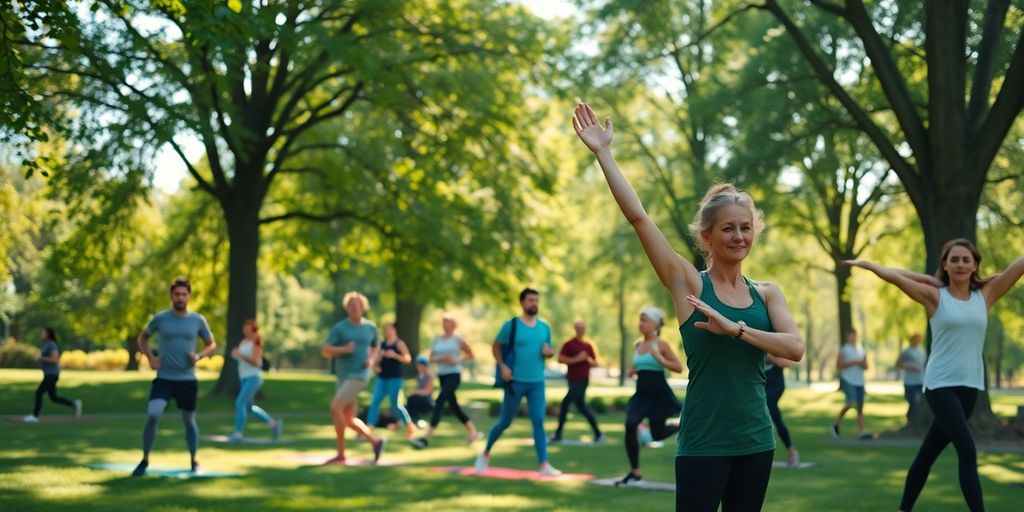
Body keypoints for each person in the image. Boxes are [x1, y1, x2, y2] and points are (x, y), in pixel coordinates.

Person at [573, 103, 804, 511]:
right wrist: (604, 154)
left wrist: (734, 329)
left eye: (745, 228)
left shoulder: (768, 293)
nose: (739, 236)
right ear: (707, 237)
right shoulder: (689, 283)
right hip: (704, 441)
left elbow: (794, 348)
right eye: (728, 228)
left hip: (755, 439)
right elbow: (639, 219)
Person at [848, 239, 1024, 512]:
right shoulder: (935, 297)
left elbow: (1017, 267)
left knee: (926, 456)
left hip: (970, 388)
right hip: (940, 385)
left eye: (966, 259)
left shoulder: (986, 296)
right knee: (967, 449)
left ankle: (903, 509)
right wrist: (870, 266)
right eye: (954, 259)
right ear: (945, 264)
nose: (961, 264)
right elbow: (896, 278)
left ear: (975, 264)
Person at [132, 278, 218, 477]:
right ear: (171, 295)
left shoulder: (198, 320)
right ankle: (144, 460)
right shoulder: (160, 319)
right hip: (164, 378)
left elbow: (211, 344)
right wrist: (150, 358)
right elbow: (143, 337)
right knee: (153, 415)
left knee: (189, 421)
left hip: (187, 380)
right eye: (177, 294)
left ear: (189, 296)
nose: (180, 297)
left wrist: (199, 356)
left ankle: (194, 460)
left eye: (184, 294)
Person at [475, 288, 562, 477]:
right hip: (515, 382)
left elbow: (549, 349)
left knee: (539, 421)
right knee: (505, 422)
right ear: (522, 303)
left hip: (537, 382)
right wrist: (503, 366)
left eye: (537, 300)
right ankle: (485, 453)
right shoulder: (512, 325)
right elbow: (496, 347)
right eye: (531, 300)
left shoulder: (544, 328)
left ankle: (544, 464)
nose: (534, 303)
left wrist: (550, 352)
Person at [615, 307, 684, 487]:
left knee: (657, 434)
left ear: (655, 323)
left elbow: (678, 367)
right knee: (630, 424)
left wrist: (661, 360)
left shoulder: (661, 345)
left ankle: (680, 425)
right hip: (641, 394)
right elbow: (633, 368)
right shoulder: (638, 345)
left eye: (644, 319)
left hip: (658, 395)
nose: (641, 323)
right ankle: (635, 471)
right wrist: (631, 371)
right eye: (640, 319)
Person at [321, 291, 385, 465]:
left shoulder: (370, 327)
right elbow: (325, 350)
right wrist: (343, 349)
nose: (355, 308)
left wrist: (371, 360)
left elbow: (376, 347)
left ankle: (342, 453)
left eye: (358, 305)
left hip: (360, 375)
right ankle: (375, 442)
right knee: (347, 418)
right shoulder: (340, 328)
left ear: (363, 307)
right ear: (347, 308)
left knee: (335, 408)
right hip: (343, 376)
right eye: (351, 306)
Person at [411, 313, 481, 449]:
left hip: (454, 374)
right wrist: (442, 358)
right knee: (454, 406)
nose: (445, 325)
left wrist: (456, 360)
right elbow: (430, 358)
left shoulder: (457, 339)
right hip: (442, 375)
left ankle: (425, 438)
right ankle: (473, 432)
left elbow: (470, 354)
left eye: (448, 322)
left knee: (440, 400)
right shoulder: (437, 339)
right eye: (443, 322)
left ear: (453, 325)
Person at [228, 319, 282, 442]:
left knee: (239, 403)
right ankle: (274, 425)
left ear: (253, 330)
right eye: (244, 329)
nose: (246, 331)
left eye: (249, 329)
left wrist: (240, 355)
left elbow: (257, 362)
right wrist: (236, 354)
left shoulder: (256, 343)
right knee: (249, 409)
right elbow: (241, 359)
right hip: (244, 377)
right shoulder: (243, 342)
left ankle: (238, 434)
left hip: (253, 377)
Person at [550, 319, 604, 444]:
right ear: (575, 329)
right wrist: (577, 359)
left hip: (583, 380)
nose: (581, 330)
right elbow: (561, 359)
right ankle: (598, 433)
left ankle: (558, 434)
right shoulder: (569, 344)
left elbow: (595, 363)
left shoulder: (588, 346)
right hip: (572, 379)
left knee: (565, 404)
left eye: (583, 328)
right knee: (582, 407)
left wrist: (587, 359)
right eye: (578, 328)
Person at [366, 322, 415, 440]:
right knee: (375, 402)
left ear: (394, 330)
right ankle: (369, 430)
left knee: (395, 405)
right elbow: (375, 360)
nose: (387, 331)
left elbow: (408, 359)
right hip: (382, 378)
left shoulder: (399, 343)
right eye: (385, 329)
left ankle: (409, 425)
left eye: (389, 329)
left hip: (395, 378)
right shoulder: (381, 345)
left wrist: (395, 355)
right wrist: (376, 366)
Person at [23, 327, 81, 423]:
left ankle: (35, 416)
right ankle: (74, 404)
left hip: (52, 374)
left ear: (48, 334)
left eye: (43, 333)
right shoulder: (46, 345)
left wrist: (42, 358)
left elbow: (55, 359)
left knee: (39, 393)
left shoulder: (51, 345)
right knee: (53, 397)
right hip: (48, 374)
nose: (42, 335)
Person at [830, 328, 869, 439]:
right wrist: (855, 362)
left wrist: (861, 364)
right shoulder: (844, 350)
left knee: (860, 407)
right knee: (850, 403)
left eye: (855, 335)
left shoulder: (861, 349)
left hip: (860, 381)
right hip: (848, 380)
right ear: (848, 337)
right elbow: (839, 365)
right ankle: (835, 425)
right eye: (852, 335)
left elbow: (866, 366)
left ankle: (861, 432)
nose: (854, 337)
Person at [765, 353, 799, 466]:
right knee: (775, 417)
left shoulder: (773, 338)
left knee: (766, 410)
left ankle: (791, 452)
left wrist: (767, 354)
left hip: (775, 384)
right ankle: (791, 451)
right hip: (761, 383)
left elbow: (785, 362)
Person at [896, 333, 926, 422]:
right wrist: (909, 366)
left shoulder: (922, 352)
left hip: (920, 380)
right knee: (913, 401)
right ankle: (910, 419)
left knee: (918, 402)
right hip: (910, 382)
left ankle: (914, 420)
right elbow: (898, 364)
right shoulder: (906, 352)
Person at [406, 355, 435, 425]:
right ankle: (411, 418)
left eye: (420, 365)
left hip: (427, 401)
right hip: (419, 398)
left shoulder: (428, 376)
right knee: (411, 398)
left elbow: (428, 391)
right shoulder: (419, 377)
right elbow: (417, 389)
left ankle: (414, 418)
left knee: (414, 398)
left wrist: (415, 392)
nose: (418, 367)